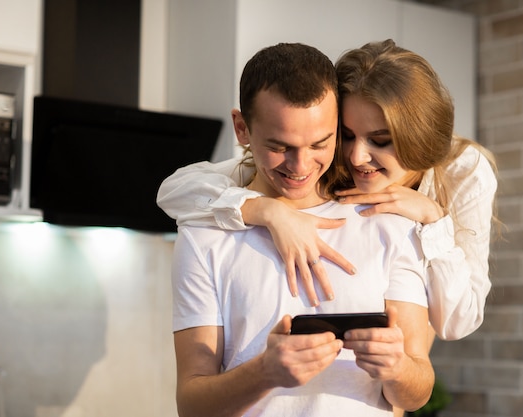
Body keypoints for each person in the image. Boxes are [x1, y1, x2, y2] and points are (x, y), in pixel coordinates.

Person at [158, 39, 498, 342]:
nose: (356, 157)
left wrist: (432, 217)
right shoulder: (307, 162)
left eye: (380, 141)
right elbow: (175, 191)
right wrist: (270, 211)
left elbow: (458, 321)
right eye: (346, 135)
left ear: (417, 136)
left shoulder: (462, 171)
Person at [170, 42, 433, 417]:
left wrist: (398, 368)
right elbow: (191, 406)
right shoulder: (204, 237)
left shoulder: (387, 222)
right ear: (242, 128)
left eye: (320, 143)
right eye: (280, 146)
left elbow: (417, 390)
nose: (300, 165)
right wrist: (263, 372)